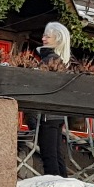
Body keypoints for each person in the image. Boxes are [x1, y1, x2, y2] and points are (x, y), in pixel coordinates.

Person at [34, 21, 72, 177]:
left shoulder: (49, 60)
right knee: (56, 153)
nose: (43, 39)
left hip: (47, 114)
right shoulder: (61, 60)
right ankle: (64, 186)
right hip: (58, 114)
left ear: (57, 39)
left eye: (47, 36)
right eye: (43, 35)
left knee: (49, 153)